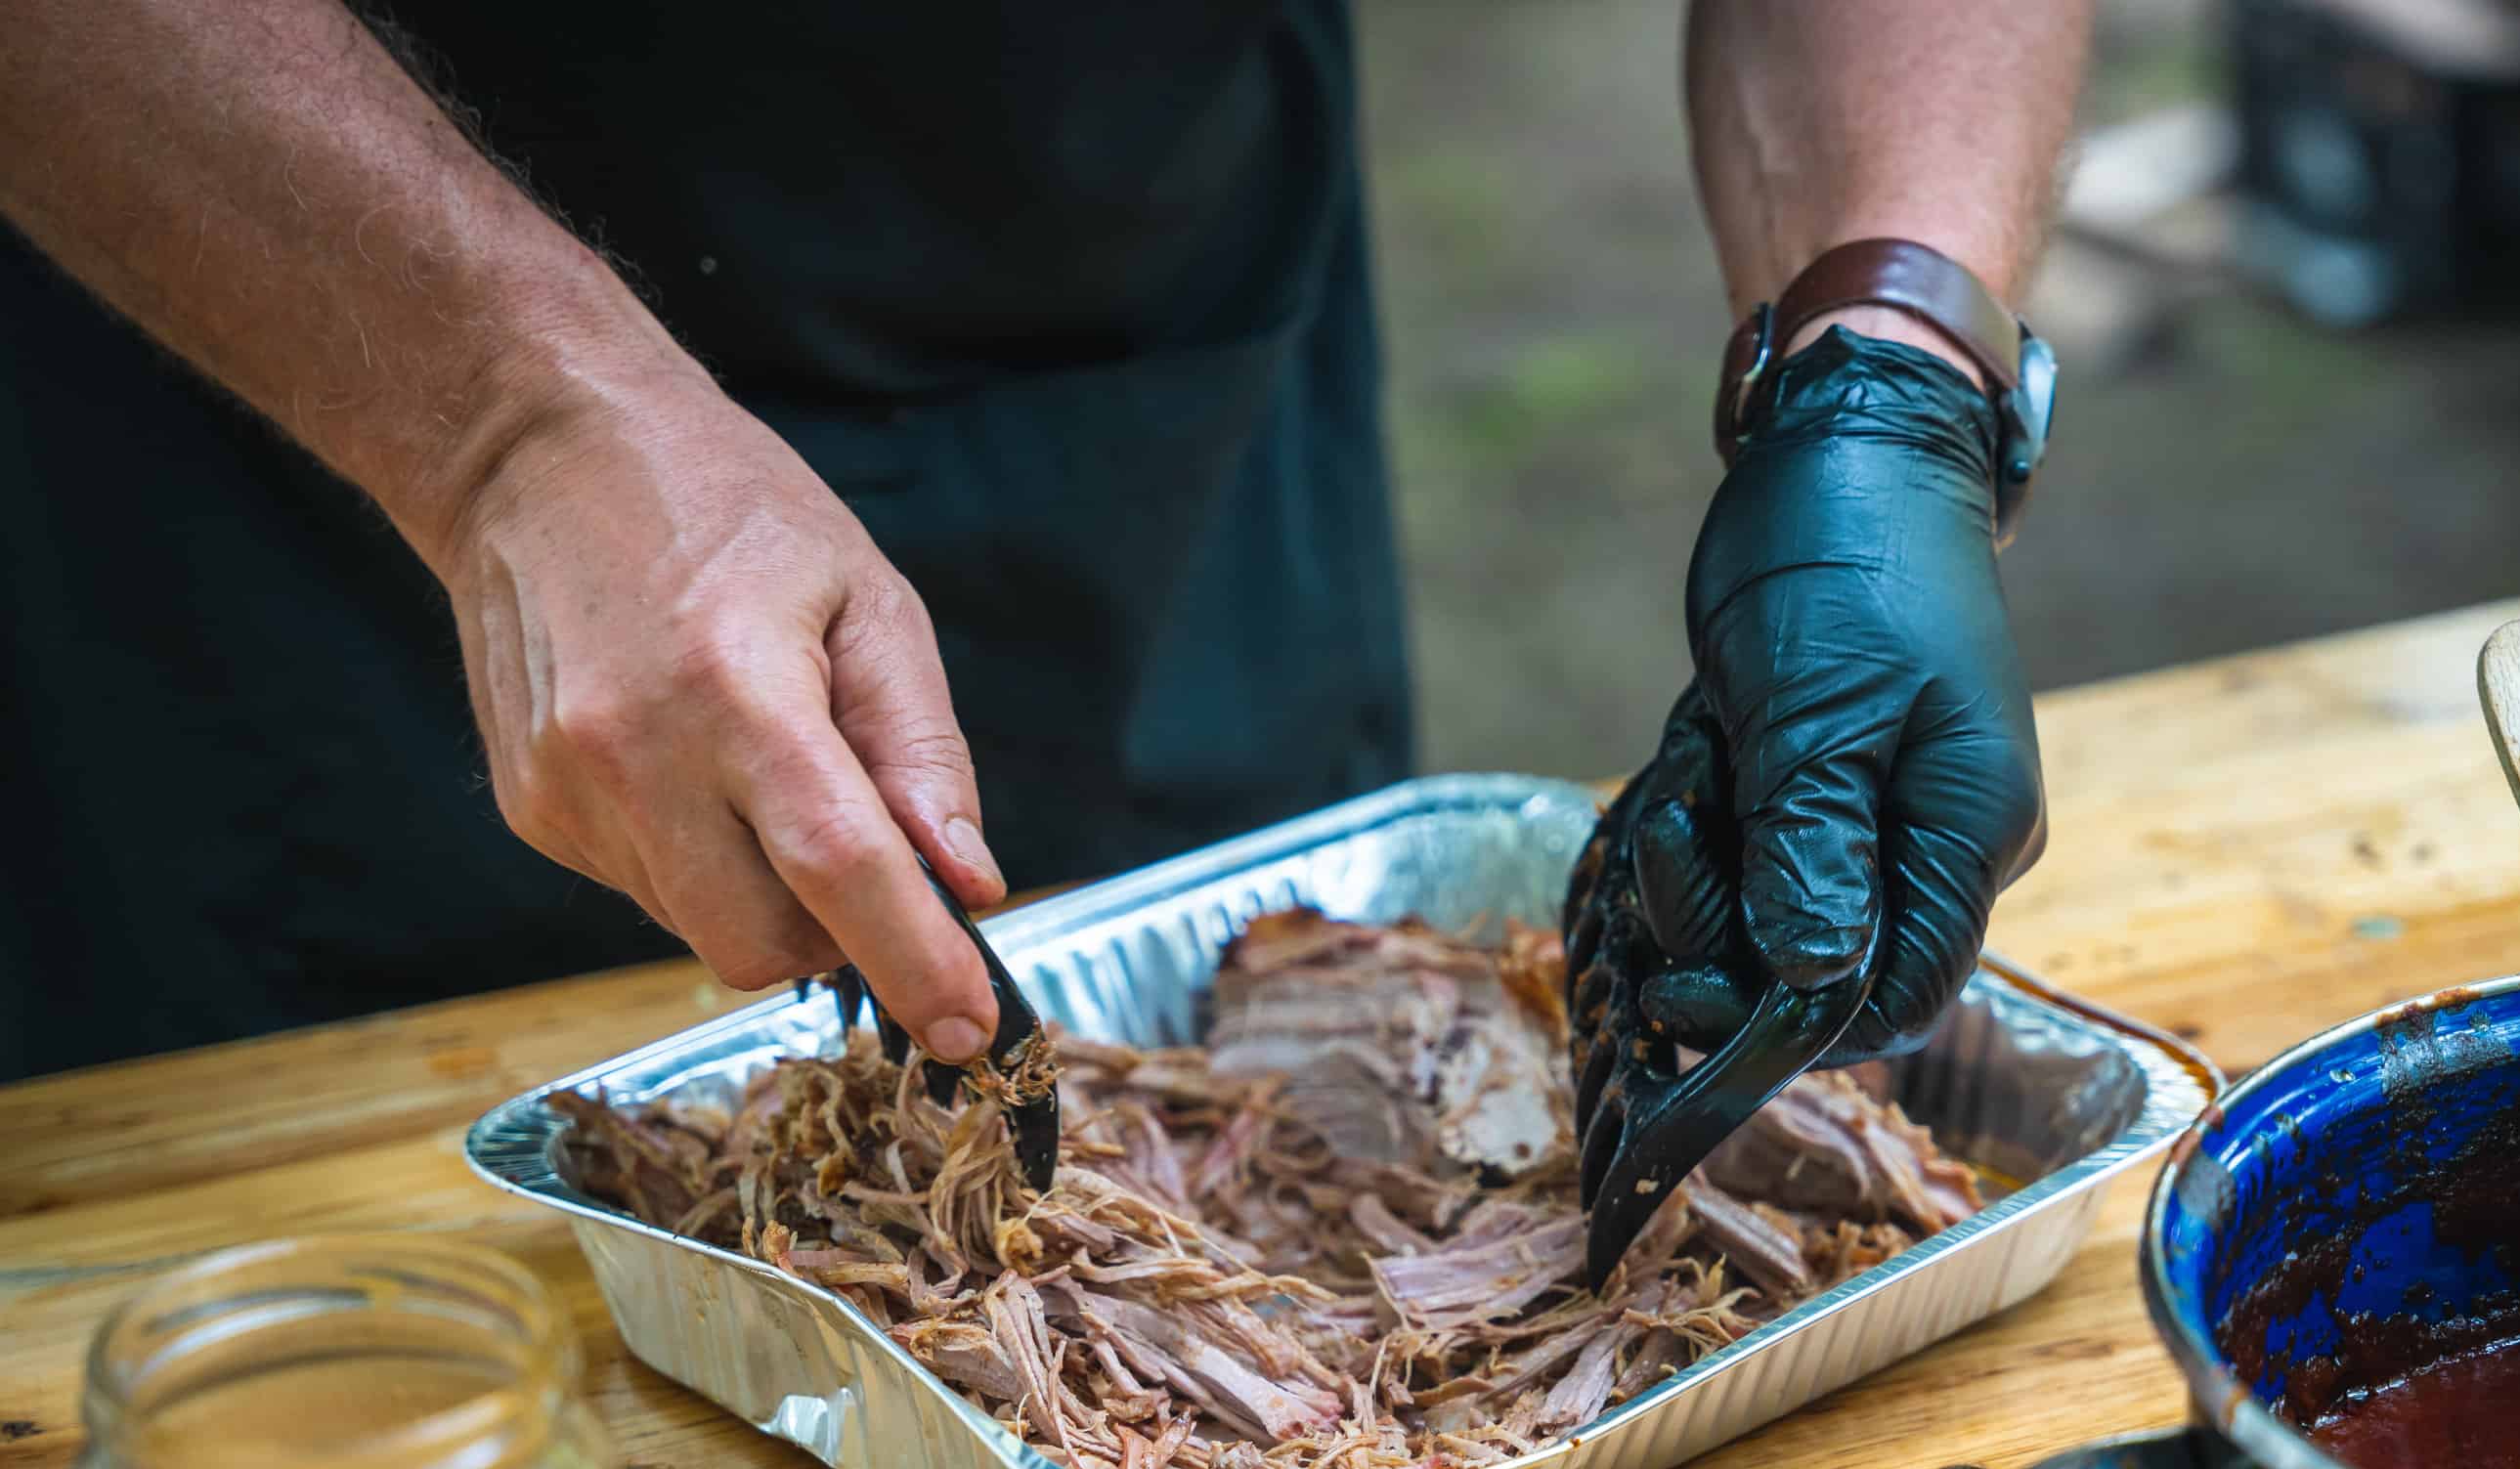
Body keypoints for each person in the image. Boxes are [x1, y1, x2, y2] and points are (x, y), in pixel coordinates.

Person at [0, 2, 2085, 1085]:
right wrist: (494, 416)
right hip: (304, 383)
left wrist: (1889, 360)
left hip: (1145, 327)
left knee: (1291, 1075)